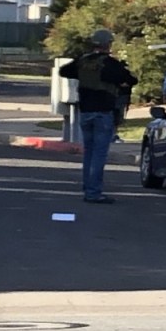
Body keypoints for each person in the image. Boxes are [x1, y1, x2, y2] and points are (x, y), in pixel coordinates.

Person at [60, 29, 138, 204]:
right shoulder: (111, 64)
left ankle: (88, 186)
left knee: (89, 152)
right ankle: (93, 192)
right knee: (99, 154)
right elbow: (131, 80)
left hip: (85, 112)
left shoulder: (83, 62)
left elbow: (64, 71)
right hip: (103, 113)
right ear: (108, 44)